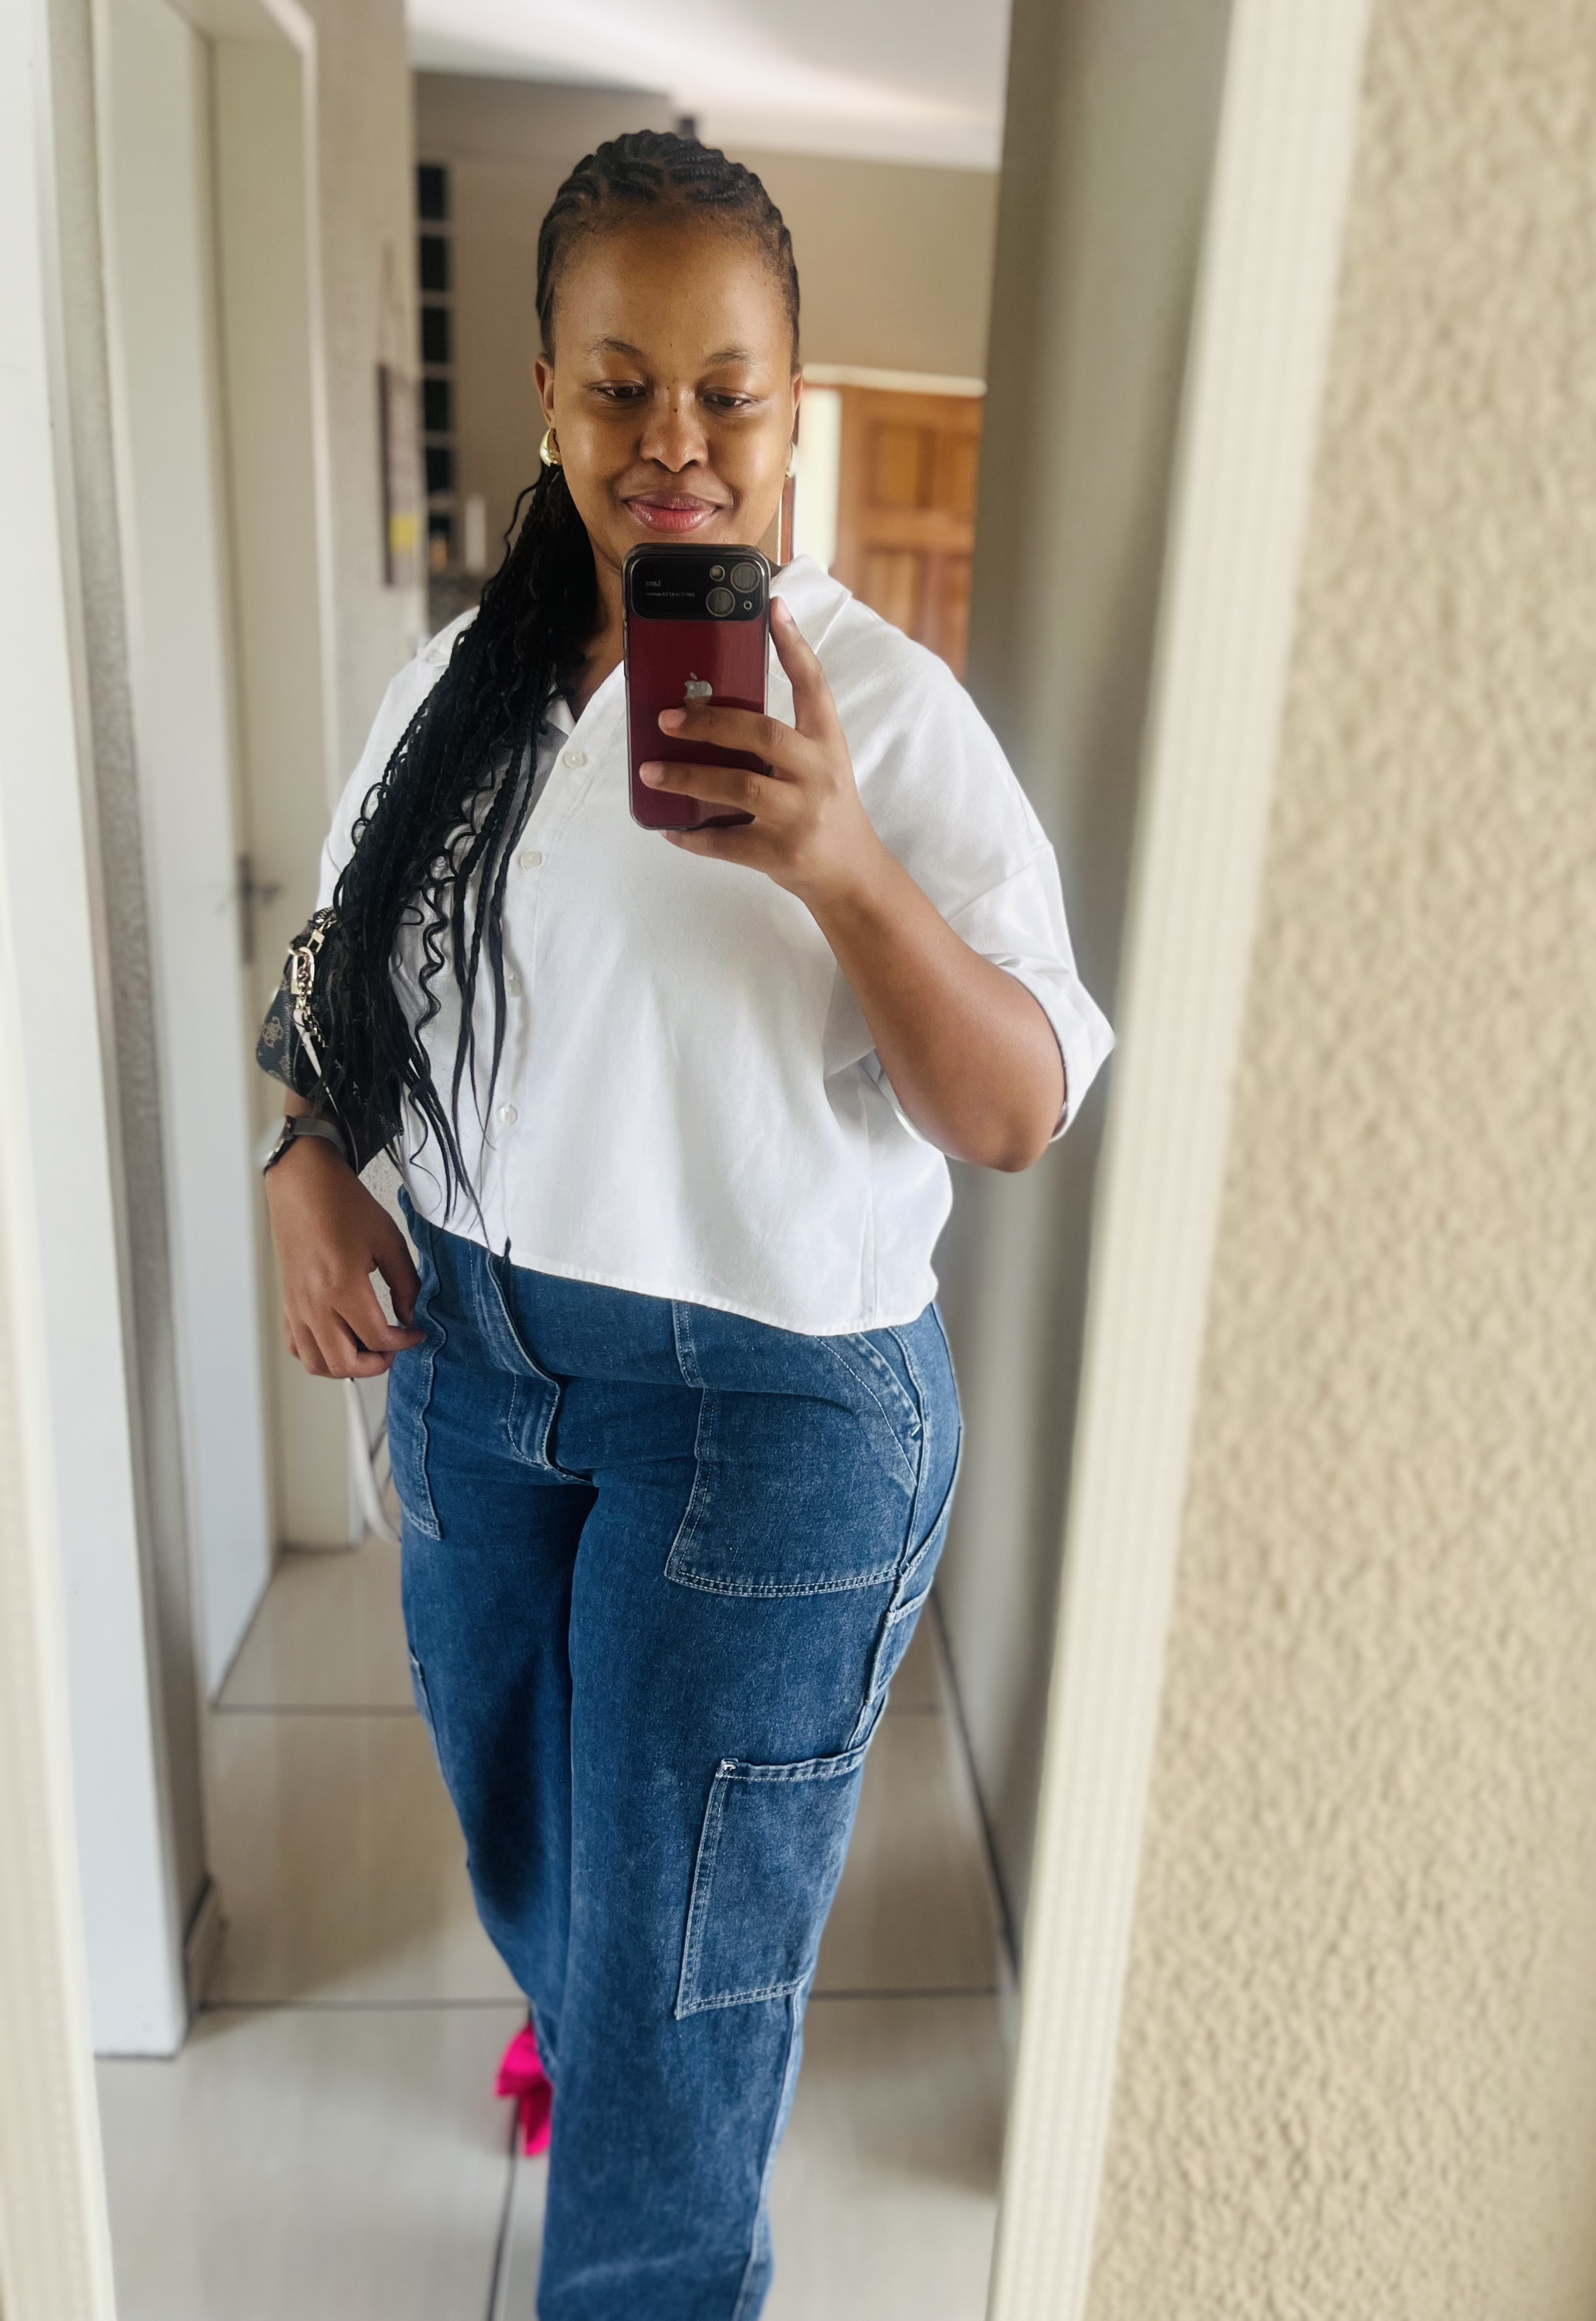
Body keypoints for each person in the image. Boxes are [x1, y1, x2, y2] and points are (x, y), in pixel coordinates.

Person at [262, 131, 1111, 2320]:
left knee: (676, 1988)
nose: (675, 441)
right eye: (622, 385)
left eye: (727, 391)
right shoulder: (452, 696)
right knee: (530, 1828)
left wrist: (844, 868)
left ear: (791, 405)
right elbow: (344, 977)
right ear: (546, 392)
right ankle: (600, 2025)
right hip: (474, 1370)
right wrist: (305, 1159)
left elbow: (1015, 1108)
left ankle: (649, 2204)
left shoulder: (884, 716)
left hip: (771, 1410)